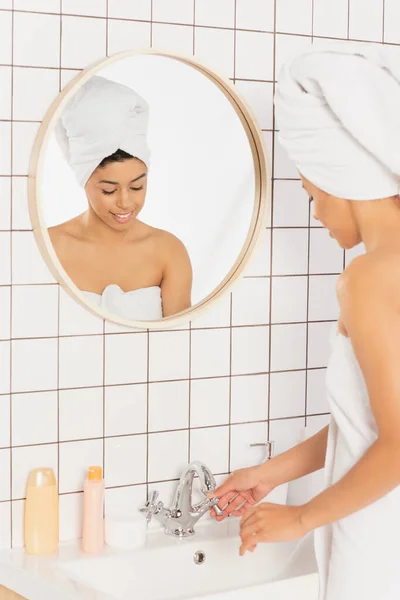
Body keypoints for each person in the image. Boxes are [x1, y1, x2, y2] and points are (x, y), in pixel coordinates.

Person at [209, 44, 400, 600]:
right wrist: (270, 474)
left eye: (311, 193)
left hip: (378, 525)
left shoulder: (369, 277)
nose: (315, 214)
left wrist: (300, 519)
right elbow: (366, 422)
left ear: (339, 179)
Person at [49, 75, 192, 321]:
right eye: (109, 190)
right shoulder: (49, 247)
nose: (125, 203)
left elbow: (179, 343)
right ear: (85, 182)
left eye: (137, 187)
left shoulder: (168, 251)